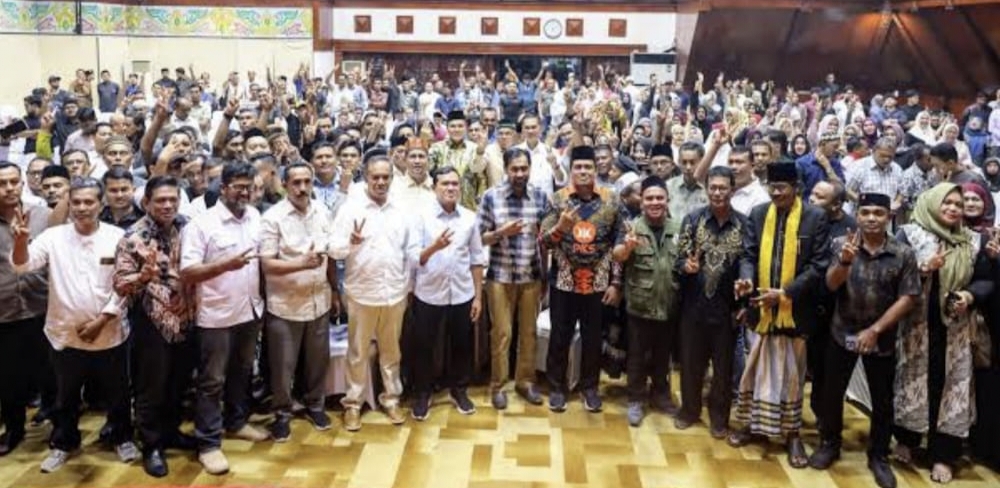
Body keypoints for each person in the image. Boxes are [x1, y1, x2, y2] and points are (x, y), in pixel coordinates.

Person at [11, 177, 139, 473]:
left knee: (118, 393)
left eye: (88, 202)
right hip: (64, 333)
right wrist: (20, 241)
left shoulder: (118, 237)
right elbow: (21, 266)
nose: (82, 208)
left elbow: (126, 286)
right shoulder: (53, 237)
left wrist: (103, 320)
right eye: (76, 202)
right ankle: (64, 442)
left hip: (109, 331)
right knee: (65, 396)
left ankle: (122, 437)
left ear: (101, 204)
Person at [809, 193, 920, 488]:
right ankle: (829, 443)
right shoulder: (840, 244)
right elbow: (830, 284)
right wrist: (845, 262)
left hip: (881, 336)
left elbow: (909, 297)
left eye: (878, 213)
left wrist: (875, 330)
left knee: (882, 399)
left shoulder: (903, 253)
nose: (872, 218)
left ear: (889, 217)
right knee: (832, 393)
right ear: (857, 215)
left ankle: (879, 455)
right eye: (866, 212)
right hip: (841, 331)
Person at [729, 162, 830, 469]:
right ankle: (751, 424)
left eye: (781, 187)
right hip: (760, 308)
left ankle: (792, 434)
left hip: (795, 312)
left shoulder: (815, 217)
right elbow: (748, 254)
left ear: (796, 188)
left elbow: (819, 265)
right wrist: (747, 280)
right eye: (772, 187)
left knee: (792, 375)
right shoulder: (759, 214)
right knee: (755, 370)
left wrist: (785, 293)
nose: (775, 193)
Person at [893, 183, 994, 484]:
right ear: (932, 202)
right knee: (912, 379)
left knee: (950, 386)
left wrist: (969, 296)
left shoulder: (973, 239)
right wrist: (922, 269)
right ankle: (907, 439)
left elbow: (986, 279)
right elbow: (891, 273)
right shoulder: (908, 234)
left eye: (958, 205)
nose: (953, 209)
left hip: (956, 327)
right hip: (915, 325)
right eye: (947, 202)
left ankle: (943, 454)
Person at [180, 162, 270, 475]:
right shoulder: (201, 224)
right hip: (215, 315)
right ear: (223, 187)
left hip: (249, 309)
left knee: (241, 372)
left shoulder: (255, 216)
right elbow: (188, 272)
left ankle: (237, 422)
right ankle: (208, 443)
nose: (245, 192)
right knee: (211, 381)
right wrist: (224, 266)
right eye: (238, 186)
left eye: (249, 187)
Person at [112, 176, 197, 477]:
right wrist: (143, 276)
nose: (168, 205)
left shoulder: (188, 227)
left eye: (173, 199)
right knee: (151, 387)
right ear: (146, 202)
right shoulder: (132, 237)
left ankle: (171, 432)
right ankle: (151, 445)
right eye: (160, 200)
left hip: (187, 317)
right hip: (151, 322)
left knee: (178, 382)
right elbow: (120, 284)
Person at [540, 145, 625, 413]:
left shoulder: (612, 200)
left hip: (598, 284)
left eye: (588, 166)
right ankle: (557, 388)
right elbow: (544, 241)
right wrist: (560, 228)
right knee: (559, 337)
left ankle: (590, 388)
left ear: (596, 169)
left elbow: (621, 242)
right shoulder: (557, 199)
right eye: (578, 167)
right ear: (571, 170)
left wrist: (616, 283)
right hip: (564, 281)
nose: (583, 171)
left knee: (592, 339)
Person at [330, 154, 412, 431]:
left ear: (392, 178)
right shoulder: (350, 209)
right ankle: (353, 404)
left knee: (392, 351)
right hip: (361, 292)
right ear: (365, 177)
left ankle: (391, 398)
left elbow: (408, 250)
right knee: (358, 352)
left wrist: (407, 285)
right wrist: (351, 243)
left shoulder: (400, 209)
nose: (380, 182)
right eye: (375, 177)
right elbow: (334, 250)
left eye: (385, 177)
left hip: (394, 291)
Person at [259, 162, 337, 442]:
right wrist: (301, 263)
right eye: (296, 183)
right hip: (285, 304)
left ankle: (315, 406)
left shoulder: (323, 211)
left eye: (307, 182)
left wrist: (335, 290)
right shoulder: (273, 218)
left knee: (318, 361)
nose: (302, 188)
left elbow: (329, 255)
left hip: (319, 300)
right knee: (283, 366)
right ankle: (282, 414)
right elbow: (267, 264)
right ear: (284, 185)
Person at [674, 166, 753, 437]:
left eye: (723, 188)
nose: (718, 193)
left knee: (724, 369)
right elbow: (678, 260)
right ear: (707, 189)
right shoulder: (692, 220)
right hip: (693, 307)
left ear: (732, 189)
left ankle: (719, 419)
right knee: (691, 364)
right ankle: (689, 411)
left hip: (727, 309)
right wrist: (686, 266)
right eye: (713, 188)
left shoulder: (745, 224)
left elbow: (748, 262)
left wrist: (745, 300)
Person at [407, 165, 486, 420]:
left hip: (462, 293)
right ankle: (422, 393)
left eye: (455, 184)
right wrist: (434, 247)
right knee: (424, 346)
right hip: (429, 293)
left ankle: (459, 390)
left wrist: (478, 297)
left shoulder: (470, 218)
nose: (451, 188)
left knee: (462, 345)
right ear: (434, 187)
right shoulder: (420, 217)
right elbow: (413, 258)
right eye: (445, 184)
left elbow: (476, 259)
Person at [477, 147, 550, 409]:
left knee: (529, 333)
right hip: (500, 276)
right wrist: (500, 233)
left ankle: (525, 382)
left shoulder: (540, 197)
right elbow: (478, 238)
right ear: (506, 169)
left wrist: (545, 275)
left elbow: (545, 239)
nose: (519, 173)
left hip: (531, 275)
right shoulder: (491, 196)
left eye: (524, 168)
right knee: (502, 334)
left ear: (530, 169)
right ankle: (498, 385)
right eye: (514, 169)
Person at [0, 162, 51, 456]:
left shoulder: (42, 215)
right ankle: (14, 429)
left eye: (14, 181)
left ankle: (60, 428)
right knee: (9, 377)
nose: (9, 188)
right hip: (4, 310)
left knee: (50, 373)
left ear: (22, 183)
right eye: (2, 183)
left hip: (42, 305)